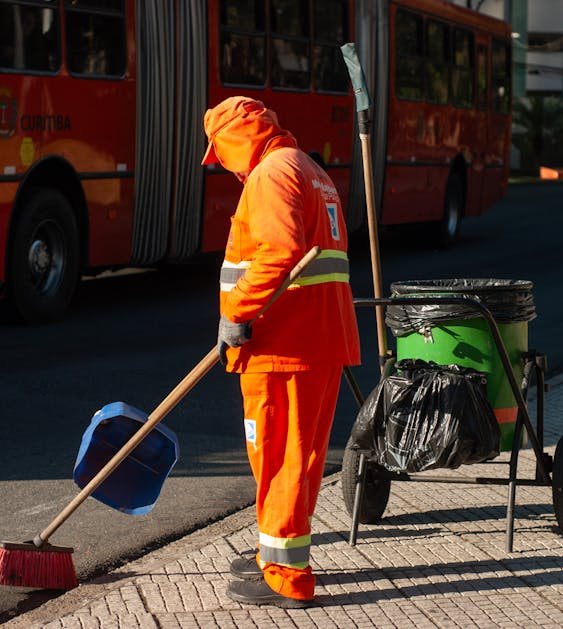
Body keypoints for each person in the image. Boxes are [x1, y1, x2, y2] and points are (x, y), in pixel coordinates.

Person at [202, 96, 360, 608]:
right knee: (298, 460)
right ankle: (278, 553)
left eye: (220, 153)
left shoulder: (271, 174)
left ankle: (286, 578)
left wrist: (237, 312)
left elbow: (277, 253)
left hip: (285, 344)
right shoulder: (308, 168)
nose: (223, 166)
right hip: (318, 339)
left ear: (234, 139)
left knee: (279, 460)